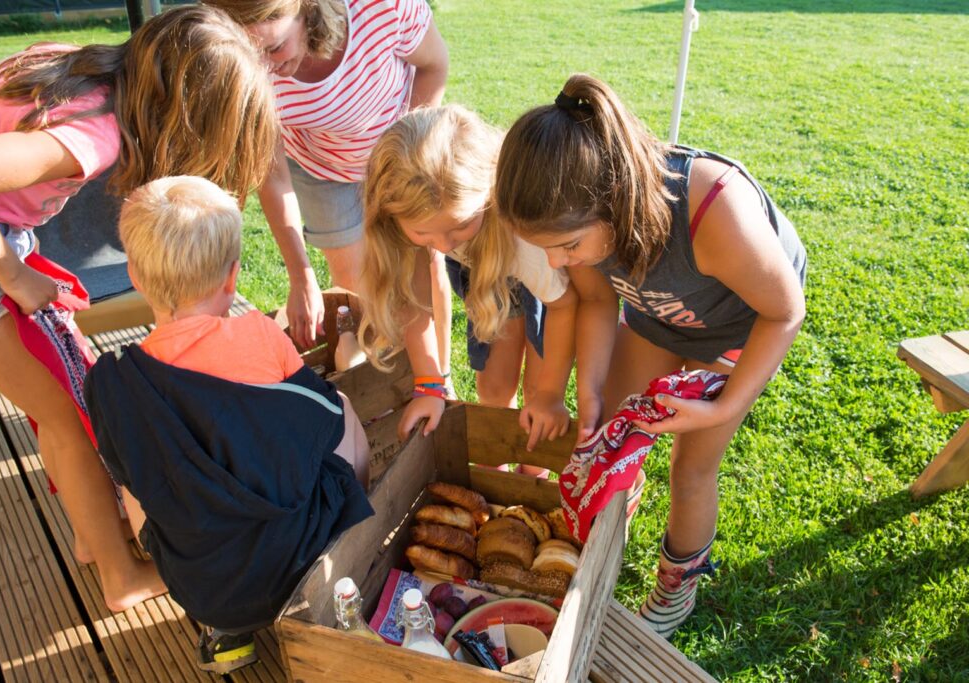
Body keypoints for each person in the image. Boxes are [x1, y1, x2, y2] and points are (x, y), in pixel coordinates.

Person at [0, 5, 279, 612]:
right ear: (187, 116)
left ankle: (91, 530)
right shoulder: (92, 135)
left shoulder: (77, 62)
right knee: (65, 419)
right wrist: (12, 274)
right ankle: (122, 578)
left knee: (64, 388)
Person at [494, 74, 807, 636]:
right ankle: (609, 536)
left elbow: (783, 312)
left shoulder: (712, 208)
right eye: (547, 251)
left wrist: (720, 408)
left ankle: (676, 584)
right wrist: (588, 393)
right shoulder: (580, 217)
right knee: (610, 436)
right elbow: (594, 300)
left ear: (612, 202)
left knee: (691, 467)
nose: (559, 263)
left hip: (741, 324)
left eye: (567, 247)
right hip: (657, 314)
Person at [85, 176, 374, 674]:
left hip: (200, 582)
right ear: (232, 277)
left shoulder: (116, 380)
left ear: (134, 273)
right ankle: (350, 539)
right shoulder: (259, 335)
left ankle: (226, 635)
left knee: (135, 471)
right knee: (338, 408)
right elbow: (314, 415)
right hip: (303, 559)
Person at [203, 0, 452, 363]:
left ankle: (437, 378)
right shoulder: (249, 64)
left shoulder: (381, 8)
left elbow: (434, 65)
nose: (266, 67)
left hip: (402, 149)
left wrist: (407, 157)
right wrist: (301, 276)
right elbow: (272, 176)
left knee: (423, 266)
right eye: (251, 55)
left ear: (308, 10)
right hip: (322, 168)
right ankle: (379, 383)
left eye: (273, 48)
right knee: (357, 287)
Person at [361, 105, 577, 452]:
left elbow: (565, 305)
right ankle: (498, 468)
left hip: (546, 281)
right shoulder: (418, 209)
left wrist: (552, 395)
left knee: (539, 394)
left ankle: (534, 471)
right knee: (492, 389)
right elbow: (414, 297)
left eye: (459, 225)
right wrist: (429, 385)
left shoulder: (526, 242)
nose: (444, 245)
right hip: (486, 270)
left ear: (485, 195)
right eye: (425, 235)